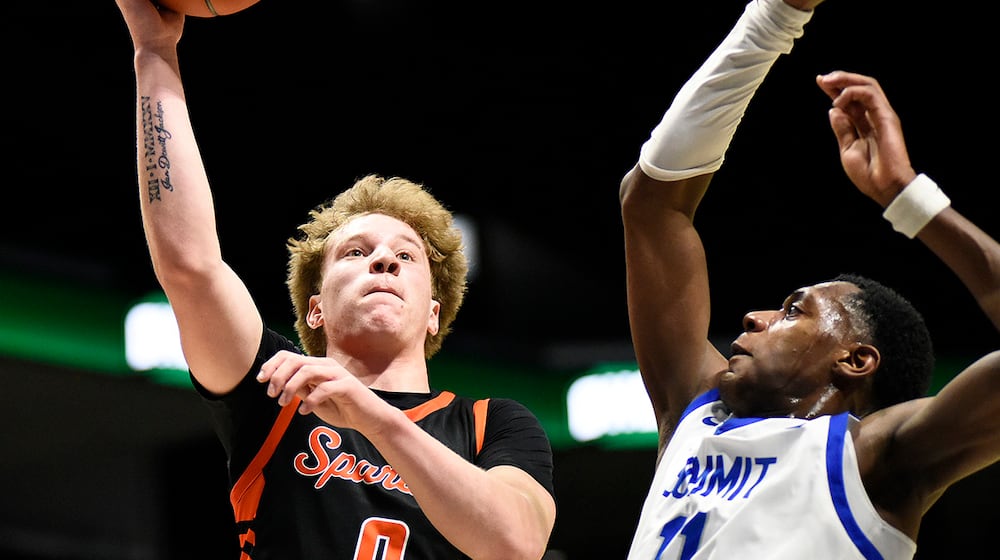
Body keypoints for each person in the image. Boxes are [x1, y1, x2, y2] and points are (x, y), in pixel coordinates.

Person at [114, 1, 556, 558]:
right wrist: (153, 52)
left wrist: (368, 412)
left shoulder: (494, 423)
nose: (385, 262)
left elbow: (515, 543)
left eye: (406, 256)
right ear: (316, 308)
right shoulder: (276, 393)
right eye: (356, 252)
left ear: (434, 312)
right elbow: (190, 266)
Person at [619, 0, 1000, 558]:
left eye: (792, 311)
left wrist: (908, 199)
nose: (753, 317)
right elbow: (652, 204)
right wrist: (775, 15)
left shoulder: (876, 456)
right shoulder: (696, 414)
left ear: (855, 361)